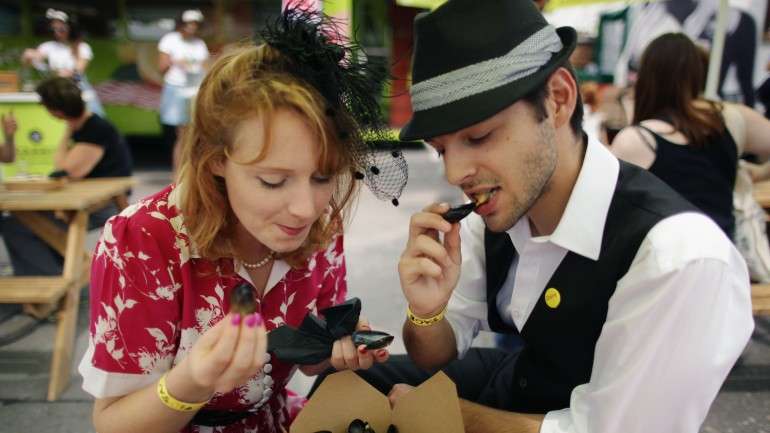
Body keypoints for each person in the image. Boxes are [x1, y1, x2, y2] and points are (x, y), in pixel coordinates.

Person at [355, 2, 753, 433]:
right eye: (442, 148)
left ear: (559, 99)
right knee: (350, 381)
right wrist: (425, 311)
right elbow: (437, 353)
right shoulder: (496, 213)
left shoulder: (677, 258)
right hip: (520, 382)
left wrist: (445, 415)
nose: (454, 174)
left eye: (478, 136)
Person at [78, 7, 405, 433]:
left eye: (323, 176)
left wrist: (334, 350)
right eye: (272, 180)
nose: (306, 208)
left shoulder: (322, 228)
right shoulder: (142, 240)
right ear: (216, 161)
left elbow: (308, 355)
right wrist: (191, 382)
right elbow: (113, 424)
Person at [611, 33, 770, 239]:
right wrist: (759, 172)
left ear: (647, 76)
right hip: (723, 253)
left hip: (665, 259)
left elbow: (610, 214)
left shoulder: (637, 139)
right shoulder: (730, 118)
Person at [1, 77, 132, 277]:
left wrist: (66, 131)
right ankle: (47, 278)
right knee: (20, 220)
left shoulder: (95, 129)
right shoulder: (87, 127)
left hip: (101, 205)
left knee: (18, 224)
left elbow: (65, 169)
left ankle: (46, 284)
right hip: (90, 200)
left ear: (56, 111)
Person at [21, 8, 105, 116]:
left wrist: (66, 73)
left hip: (77, 89)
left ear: (70, 28)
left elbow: (79, 71)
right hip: (57, 90)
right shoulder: (48, 46)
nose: (57, 32)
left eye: (61, 29)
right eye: (53, 29)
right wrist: (28, 57)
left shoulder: (82, 47)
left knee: (89, 117)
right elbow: (28, 63)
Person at [157, 9, 210, 172]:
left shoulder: (199, 43)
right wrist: (176, 62)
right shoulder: (170, 40)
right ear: (180, 24)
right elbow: (161, 67)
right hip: (177, 88)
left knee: (193, 135)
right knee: (183, 135)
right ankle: (179, 175)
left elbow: (206, 66)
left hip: (195, 89)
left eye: (195, 24)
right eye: (189, 23)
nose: (192, 27)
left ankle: (189, 174)